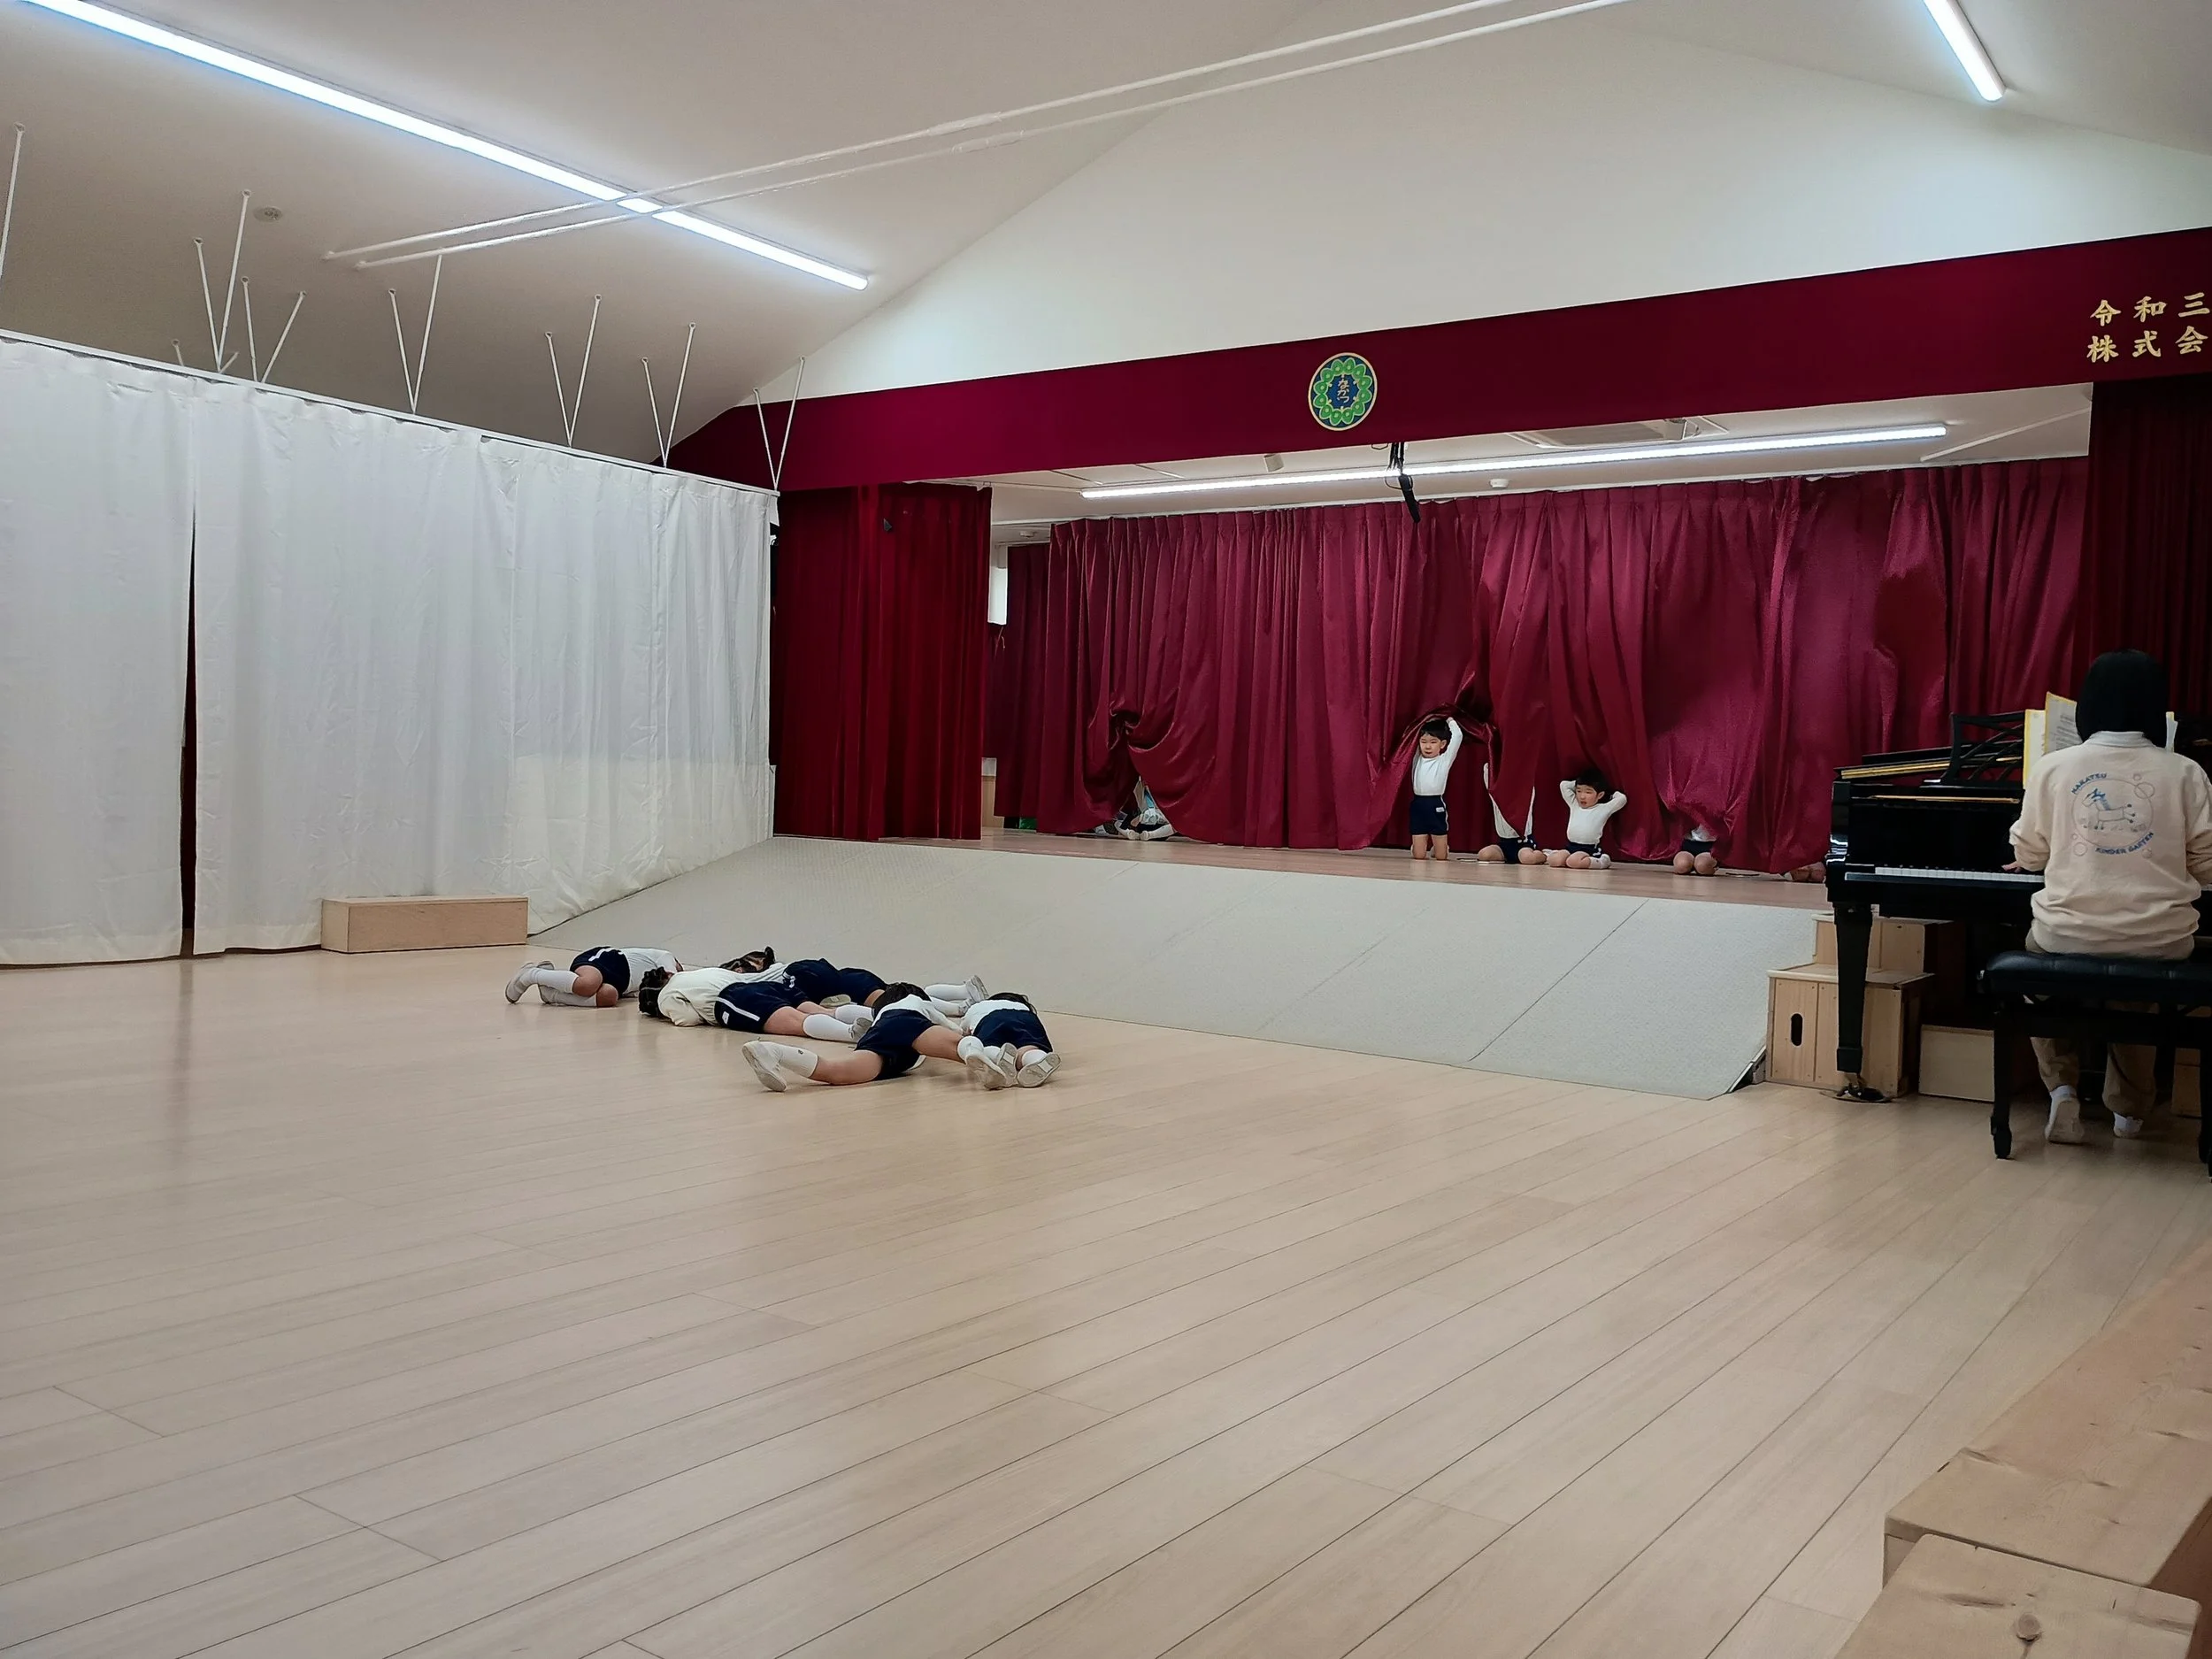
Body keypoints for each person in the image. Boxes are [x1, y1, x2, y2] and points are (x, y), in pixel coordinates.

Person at [2008, 650, 2212, 1145]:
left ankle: (2061, 1088)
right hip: (2159, 939)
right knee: (2137, 994)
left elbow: (2030, 856)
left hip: (2065, 933)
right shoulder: (2186, 772)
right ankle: (2129, 1111)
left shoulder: (2053, 768)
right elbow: (2206, 864)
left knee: (2039, 973)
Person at [742, 984, 964, 1090]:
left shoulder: (882, 1017)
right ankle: (985, 1059)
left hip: (884, 1046)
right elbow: (954, 1030)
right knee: (960, 1048)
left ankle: (773, 1051)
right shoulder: (915, 1005)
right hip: (909, 1030)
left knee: (836, 1071)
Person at [505, 946, 680, 1008]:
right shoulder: (666, 957)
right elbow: (673, 977)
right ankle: (531, 974)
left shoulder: (653, 983)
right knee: (588, 984)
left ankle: (552, 995)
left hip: (618, 983)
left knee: (609, 996)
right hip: (607, 960)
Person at [956, 991, 1060, 1089]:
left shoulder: (979, 1006)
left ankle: (998, 1056)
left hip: (992, 1019)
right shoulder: (1022, 1007)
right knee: (1028, 1047)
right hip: (1026, 1018)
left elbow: (962, 1032)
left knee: (989, 1046)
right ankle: (1037, 1059)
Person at [1547, 768, 1628, 868]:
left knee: (1574, 862)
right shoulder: (1574, 804)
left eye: (1588, 792)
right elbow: (1563, 785)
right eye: (1579, 791)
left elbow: (1622, 799)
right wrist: (1579, 783)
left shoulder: (1603, 809)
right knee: (1553, 861)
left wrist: (1610, 793)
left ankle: (1602, 861)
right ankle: (1564, 857)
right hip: (1571, 846)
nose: (1582, 796)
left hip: (1589, 849)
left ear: (1600, 795)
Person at [1408, 716, 1463, 862]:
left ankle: (1440, 847)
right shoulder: (1416, 759)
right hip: (1418, 804)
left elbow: (1458, 736)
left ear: (1442, 744)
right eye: (1424, 742)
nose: (1428, 746)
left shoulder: (1444, 760)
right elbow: (1410, 736)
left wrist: (1449, 719)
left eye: (1433, 742)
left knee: (1441, 857)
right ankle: (1418, 846)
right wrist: (1424, 719)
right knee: (1419, 856)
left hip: (1435, 804)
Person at [1475, 760, 1545, 866]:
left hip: (1523, 844)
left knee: (1527, 858)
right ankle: (1512, 856)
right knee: (1484, 855)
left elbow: (1528, 782)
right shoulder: (1496, 796)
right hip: (1504, 845)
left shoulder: (1524, 796)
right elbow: (1488, 772)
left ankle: (1545, 854)